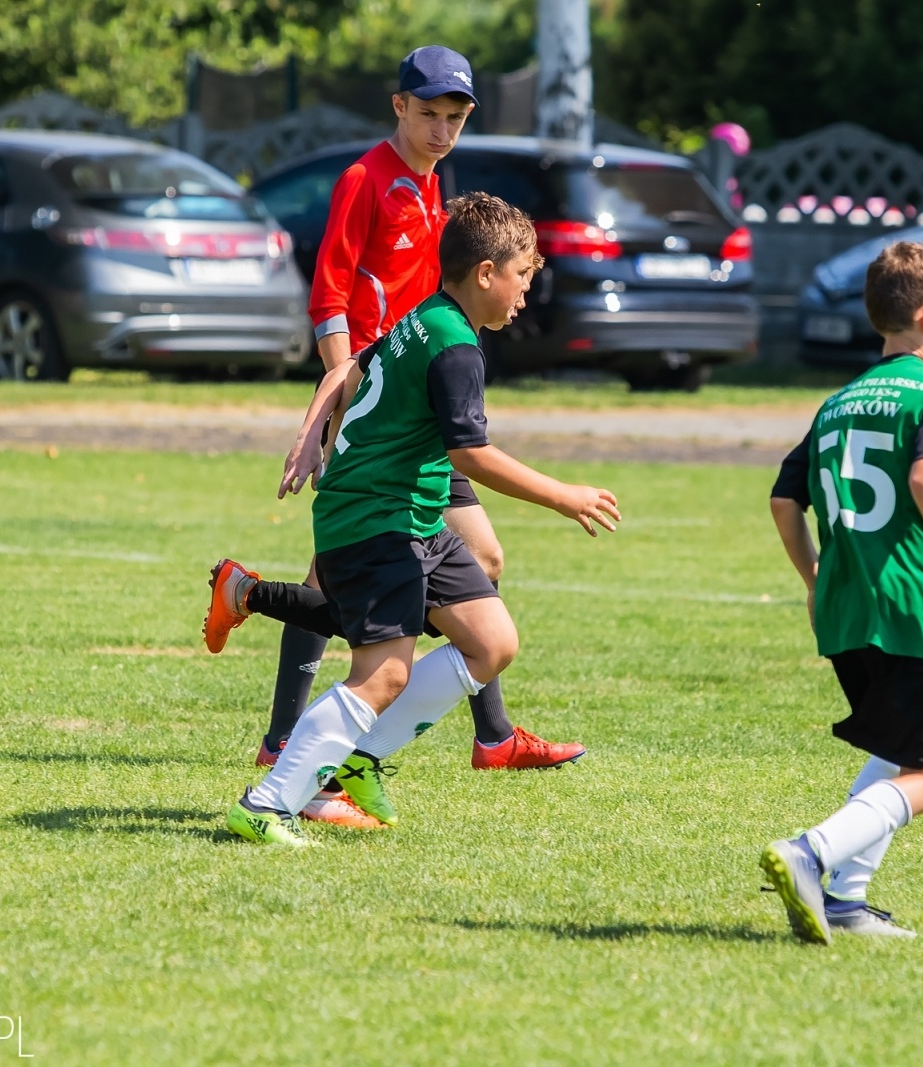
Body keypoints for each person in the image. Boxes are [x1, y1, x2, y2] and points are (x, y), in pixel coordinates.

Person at [213, 193, 619, 846]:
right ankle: (268, 802)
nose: (524, 293)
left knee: (491, 642)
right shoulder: (455, 347)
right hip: (375, 521)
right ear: (485, 273)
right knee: (384, 674)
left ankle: (356, 758)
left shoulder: (423, 317)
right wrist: (562, 495)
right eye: (521, 276)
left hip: (412, 520)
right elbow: (470, 454)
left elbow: (352, 371)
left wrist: (316, 423)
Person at [258, 45, 586, 799]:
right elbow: (331, 297)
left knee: (472, 563)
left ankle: (489, 735)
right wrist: (327, 409)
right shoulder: (364, 179)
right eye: (429, 113)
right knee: (349, 568)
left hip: (413, 402)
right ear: (398, 106)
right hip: (377, 406)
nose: (441, 130)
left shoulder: (435, 189)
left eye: (455, 117)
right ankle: (290, 742)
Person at [762, 242, 923, 942]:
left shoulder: (840, 400)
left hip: (841, 606)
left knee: (901, 749)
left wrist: (814, 580)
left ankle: (845, 899)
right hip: (900, 601)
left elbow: (784, 501)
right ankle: (810, 852)